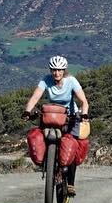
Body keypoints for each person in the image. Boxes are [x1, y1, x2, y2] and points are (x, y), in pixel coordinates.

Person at [22, 55, 90, 195]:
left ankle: (70, 183)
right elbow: (35, 97)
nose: (56, 73)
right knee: (43, 138)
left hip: (70, 117)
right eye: (54, 70)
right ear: (50, 70)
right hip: (51, 116)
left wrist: (84, 114)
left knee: (71, 145)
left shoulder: (71, 81)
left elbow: (83, 101)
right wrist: (27, 111)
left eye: (59, 70)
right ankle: (49, 163)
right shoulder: (45, 80)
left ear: (64, 70)